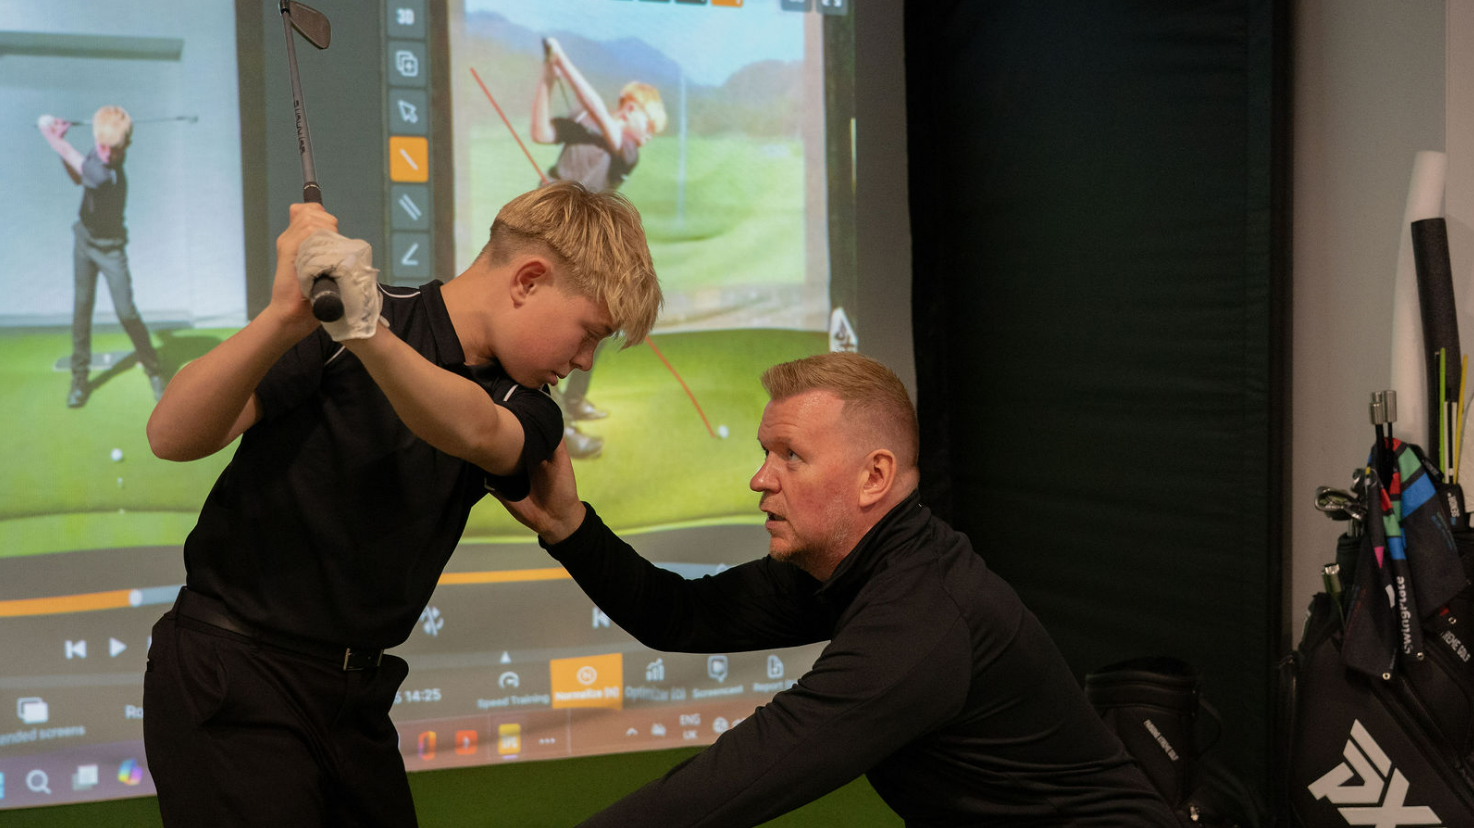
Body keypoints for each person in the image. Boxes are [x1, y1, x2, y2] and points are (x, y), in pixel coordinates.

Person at [142, 180, 661, 827]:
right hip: (232, 674)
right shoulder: (346, 321)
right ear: (528, 280)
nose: (582, 361)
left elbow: (474, 431)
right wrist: (282, 320)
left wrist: (366, 335)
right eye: (589, 334)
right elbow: (172, 435)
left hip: (354, 701)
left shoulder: (524, 402)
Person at [503, 352, 1178, 826]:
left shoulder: (922, 620)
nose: (761, 479)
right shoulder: (853, 565)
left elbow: (736, 783)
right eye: (765, 453)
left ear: (874, 476)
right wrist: (568, 525)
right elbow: (681, 616)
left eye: (790, 455)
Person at [531, 36, 667, 459]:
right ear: (630, 109)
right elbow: (539, 132)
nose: (647, 137)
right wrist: (548, 77)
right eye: (648, 126)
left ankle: (571, 404)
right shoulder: (593, 122)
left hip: (584, 236)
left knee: (602, 319)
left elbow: (599, 116)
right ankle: (559, 427)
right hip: (549, 227)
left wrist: (565, 63)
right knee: (553, 327)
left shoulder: (626, 149)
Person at [38, 105, 165, 408]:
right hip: (84, 242)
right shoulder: (97, 156)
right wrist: (61, 146)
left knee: (126, 312)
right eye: (102, 146)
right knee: (82, 310)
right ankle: (79, 378)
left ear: (126, 146)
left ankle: (155, 370)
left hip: (111, 249)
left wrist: (52, 135)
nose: (106, 153)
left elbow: (80, 166)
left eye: (114, 148)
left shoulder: (110, 174)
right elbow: (76, 176)